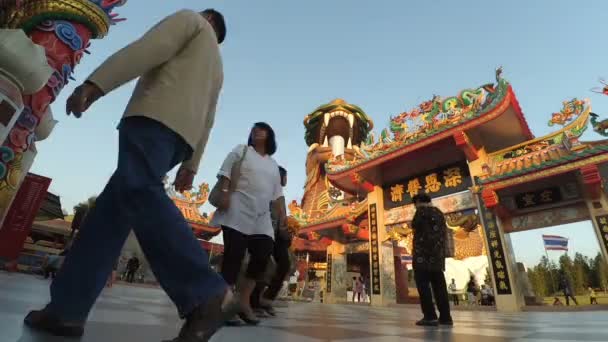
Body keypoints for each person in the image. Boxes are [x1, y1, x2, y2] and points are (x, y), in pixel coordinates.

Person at [24, 9, 237, 342]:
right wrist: (191, 165)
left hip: (154, 118)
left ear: (208, 18)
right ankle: (67, 310)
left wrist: (98, 83)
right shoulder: (218, 68)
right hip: (181, 138)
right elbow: (208, 119)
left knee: (139, 191)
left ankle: (205, 291)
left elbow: (149, 47)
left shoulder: (191, 22)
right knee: (108, 218)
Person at [211, 122, 285, 326]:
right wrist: (225, 193)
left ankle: (243, 300)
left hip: (261, 216)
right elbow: (226, 171)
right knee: (233, 255)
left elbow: (278, 193)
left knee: (263, 252)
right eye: (253, 129)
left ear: (270, 136)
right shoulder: (241, 150)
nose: (256, 132)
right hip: (237, 208)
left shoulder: (272, 163)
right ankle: (225, 305)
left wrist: (283, 216)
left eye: (262, 129)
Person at [251, 166, 292, 317]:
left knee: (285, 264)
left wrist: (287, 230)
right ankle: (253, 301)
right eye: (284, 176)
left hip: (277, 236)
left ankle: (267, 298)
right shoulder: (264, 191)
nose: (286, 180)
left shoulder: (280, 196)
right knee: (261, 265)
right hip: (262, 232)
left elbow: (282, 219)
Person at [411, 193, 452, 327]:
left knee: (424, 288)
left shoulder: (421, 212)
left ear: (418, 202)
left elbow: (415, 225)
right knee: (440, 287)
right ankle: (446, 318)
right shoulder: (439, 213)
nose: (415, 206)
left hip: (422, 257)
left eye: (415, 204)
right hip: (437, 258)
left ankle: (430, 316)